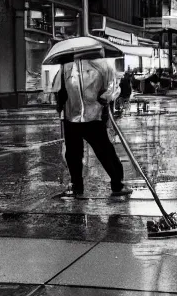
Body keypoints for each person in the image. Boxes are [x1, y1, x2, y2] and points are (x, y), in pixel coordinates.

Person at [52, 51, 133, 199]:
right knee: (72, 155)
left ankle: (117, 184)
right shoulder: (66, 66)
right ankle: (77, 186)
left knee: (105, 151)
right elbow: (58, 88)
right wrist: (59, 102)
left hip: (94, 115)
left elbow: (113, 86)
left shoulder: (102, 64)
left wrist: (105, 98)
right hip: (72, 116)